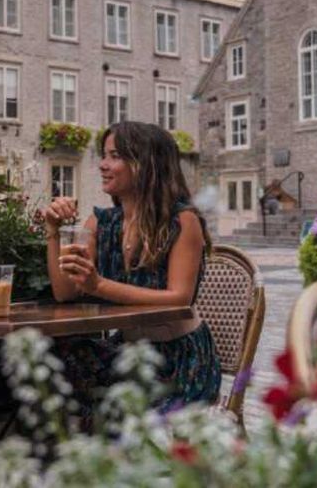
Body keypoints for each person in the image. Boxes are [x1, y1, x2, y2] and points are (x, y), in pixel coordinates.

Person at [41, 121, 220, 416]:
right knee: (53, 357)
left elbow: (179, 298)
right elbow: (64, 292)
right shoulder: (102, 223)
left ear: (146, 164)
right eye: (104, 155)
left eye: (115, 156)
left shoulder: (182, 221)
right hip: (127, 354)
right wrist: (52, 229)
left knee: (110, 414)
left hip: (178, 361)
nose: (103, 165)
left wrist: (98, 285)